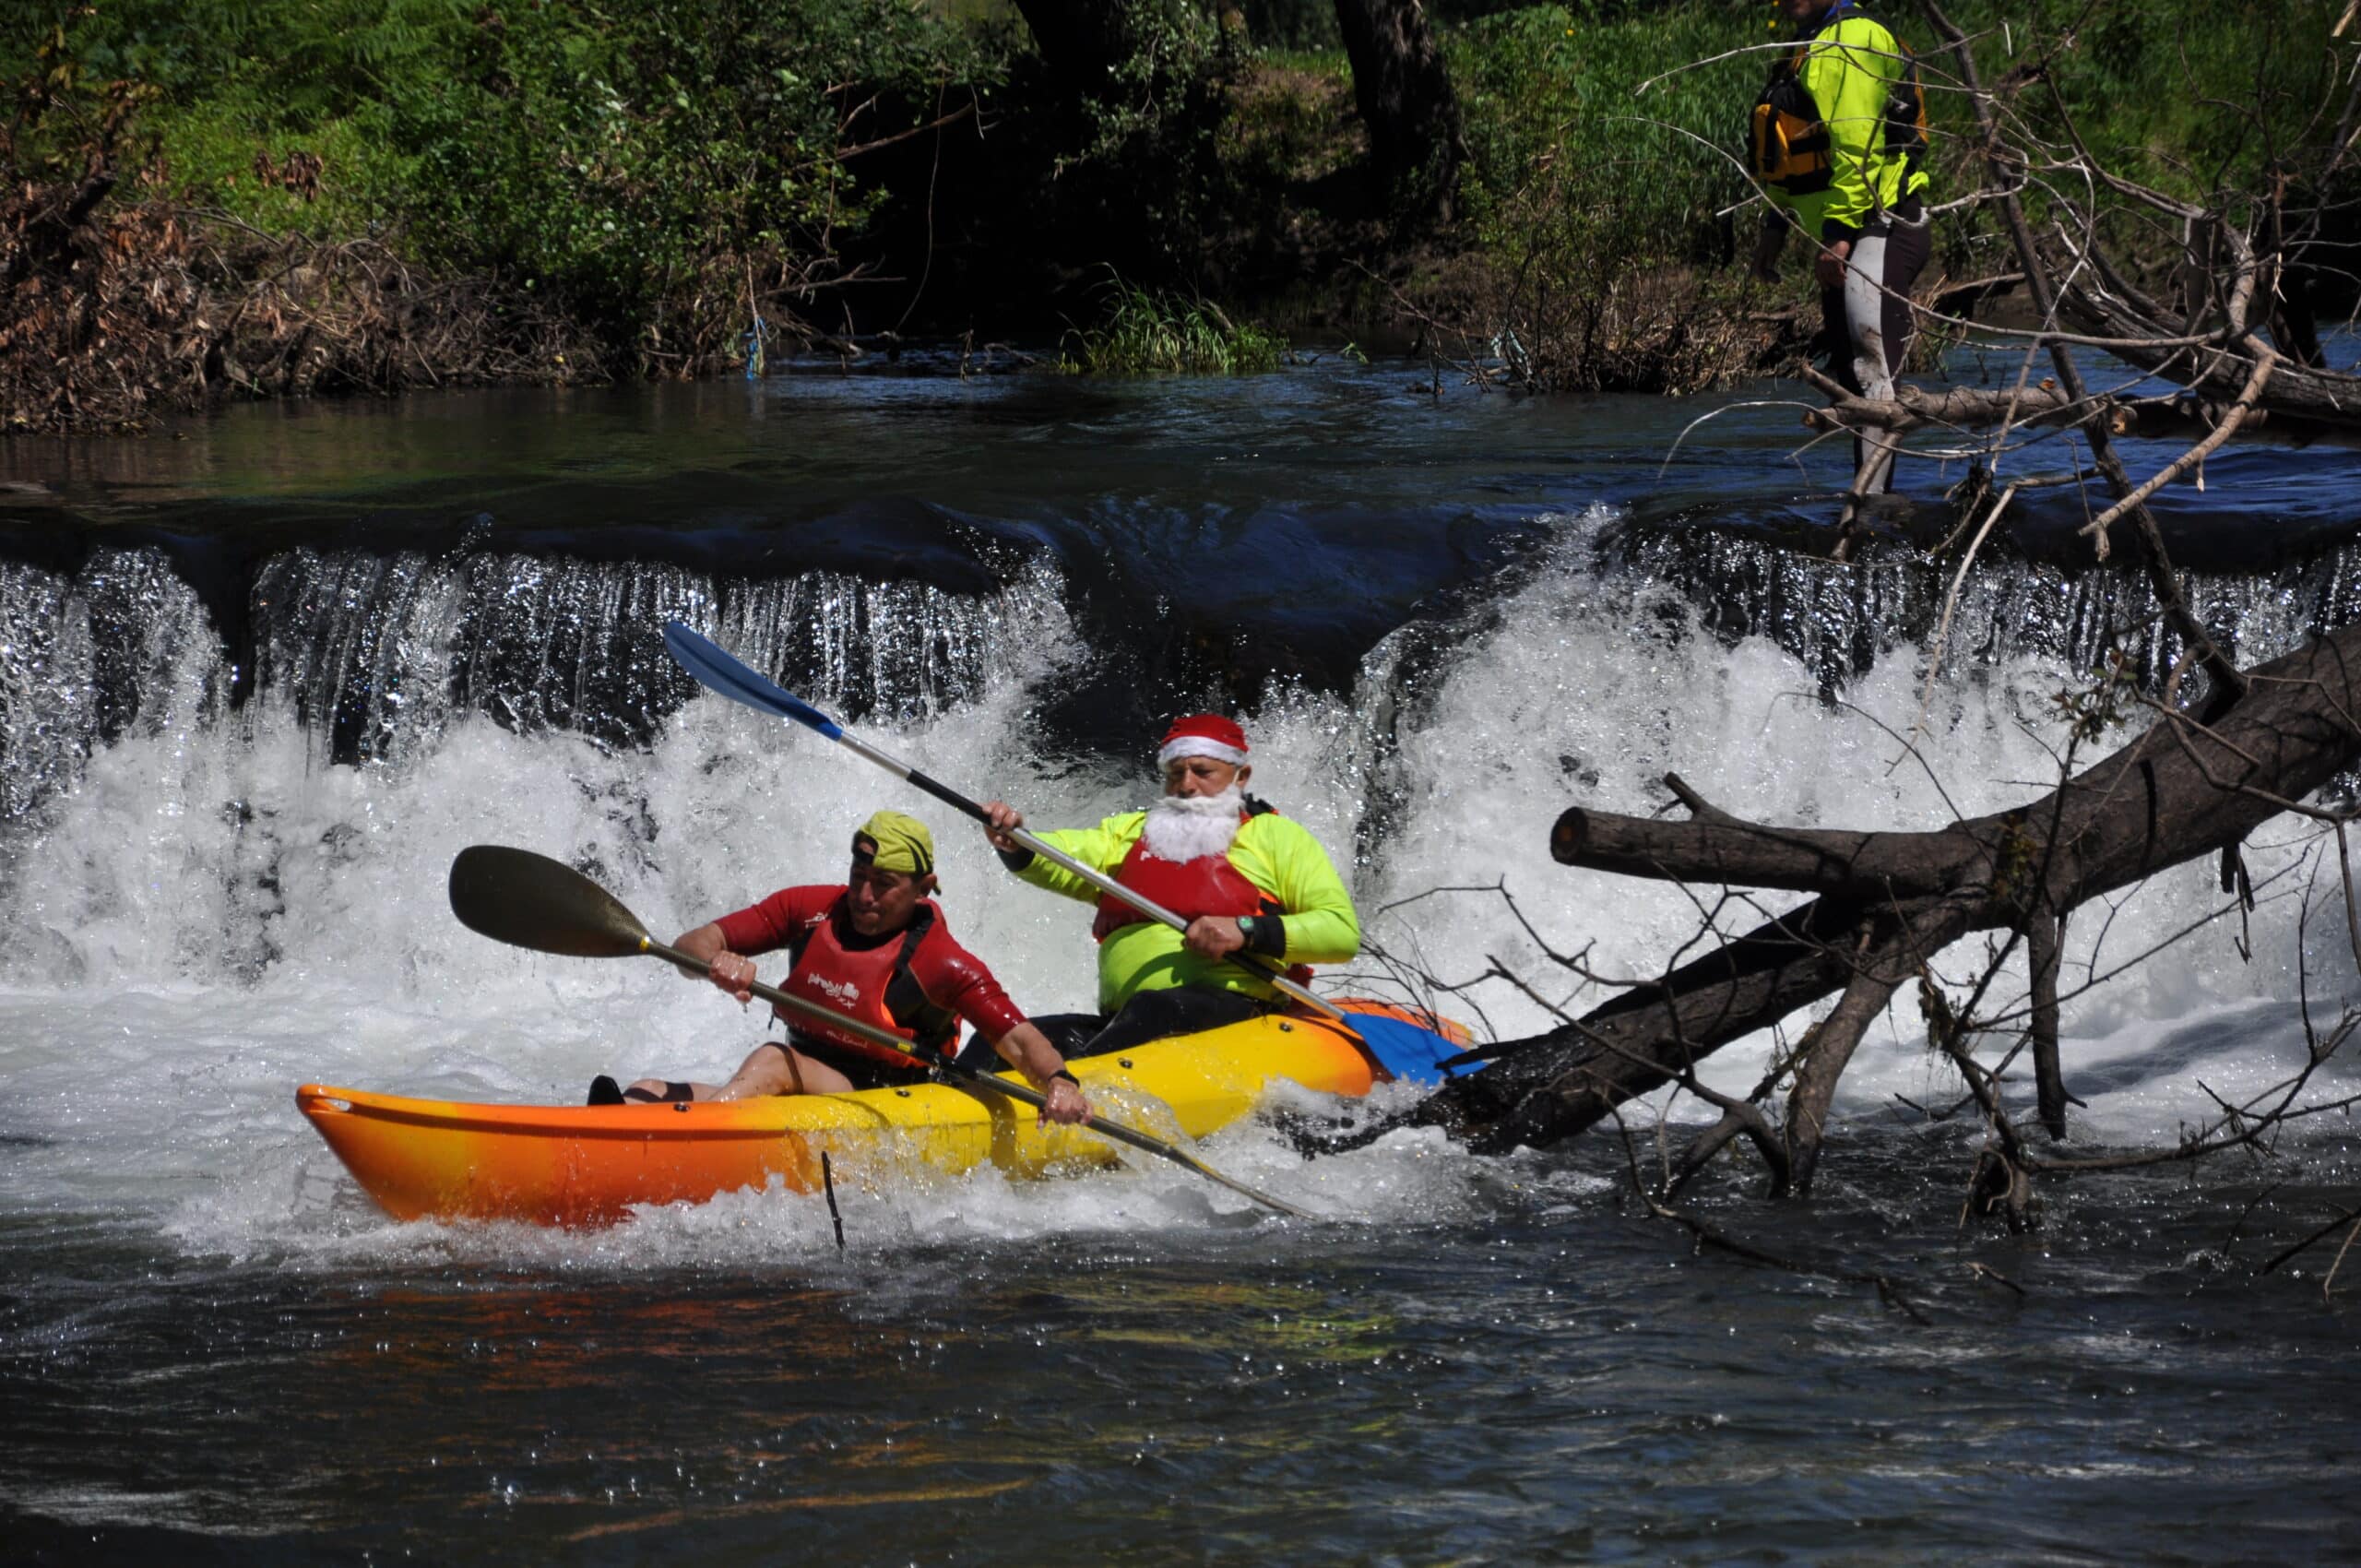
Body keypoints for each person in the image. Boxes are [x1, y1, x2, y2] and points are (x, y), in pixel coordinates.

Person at [594, 810, 1090, 1124]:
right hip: (803, 1084)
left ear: (923, 889)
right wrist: (714, 963)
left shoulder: (941, 961)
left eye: (884, 883)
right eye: (858, 876)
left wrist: (1060, 1083)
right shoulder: (808, 909)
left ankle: (688, 1144)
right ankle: (618, 1135)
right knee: (650, 1089)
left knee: (771, 1061)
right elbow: (692, 944)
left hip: (887, 1103)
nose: (864, 895)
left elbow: (1021, 1040)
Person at [976, 715, 1360, 1060]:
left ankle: (1078, 1095)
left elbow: (1340, 932)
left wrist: (1245, 930)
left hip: (1233, 1013)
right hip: (1124, 1023)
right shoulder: (1132, 832)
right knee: (1006, 1037)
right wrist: (1017, 839)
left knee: (1152, 1009)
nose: (1186, 785)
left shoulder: (1277, 836)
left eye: (1202, 771)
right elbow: (1060, 858)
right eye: (1176, 773)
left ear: (1240, 777)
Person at [1748, 0, 1933, 485]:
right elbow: (1796, 152)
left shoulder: (1856, 39)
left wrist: (1838, 240)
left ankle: (1871, 514)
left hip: (1882, 223)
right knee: (1852, 380)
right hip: (1845, 232)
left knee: (1873, 374)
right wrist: (1774, 229)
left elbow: (1857, 145)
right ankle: (1868, 506)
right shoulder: (1803, 47)